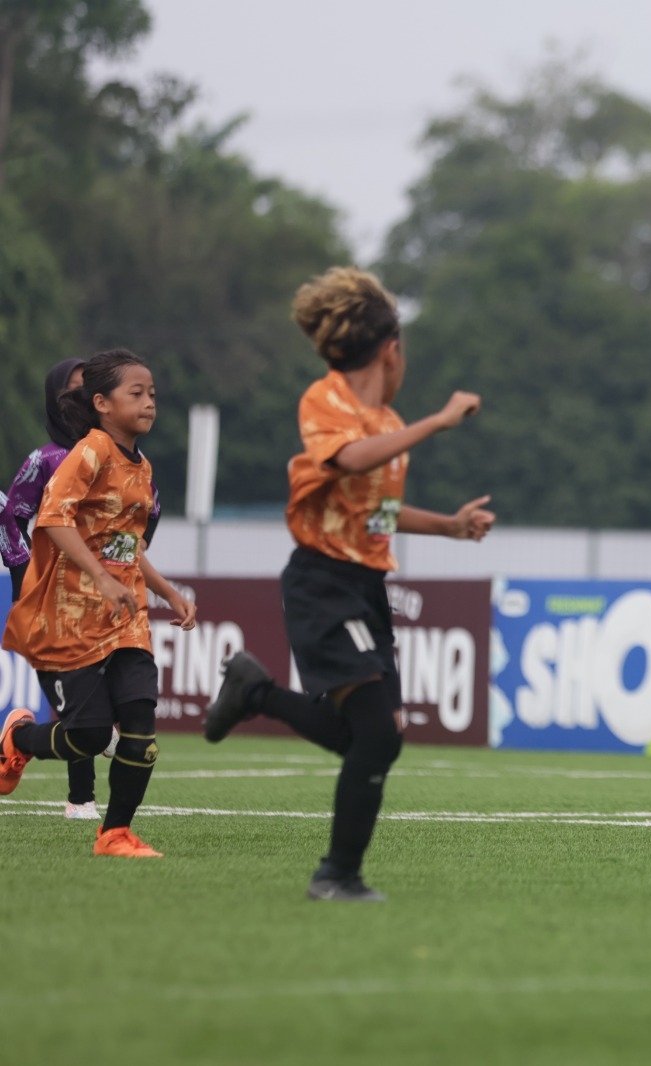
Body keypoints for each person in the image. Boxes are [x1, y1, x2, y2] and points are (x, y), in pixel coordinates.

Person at [202, 266, 494, 903]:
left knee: (377, 738)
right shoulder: (326, 400)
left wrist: (450, 526)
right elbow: (348, 459)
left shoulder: (387, 419)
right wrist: (438, 422)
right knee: (378, 736)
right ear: (391, 350)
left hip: (364, 585)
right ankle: (336, 877)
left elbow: (374, 510)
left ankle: (256, 692)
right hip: (322, 582)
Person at [0, 349, 197, 857]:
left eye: (153, 393)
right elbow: (51, 519)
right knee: (86, 737)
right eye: (137, 393)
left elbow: (128, 548)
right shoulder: (87, 453)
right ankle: (19, 740)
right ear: (103, 404)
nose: (150, 402)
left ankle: (114, 834)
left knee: (141, 726)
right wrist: (98, 580)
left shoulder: (143, 466)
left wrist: (168, 591)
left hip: (125, 619)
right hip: (68, 619)